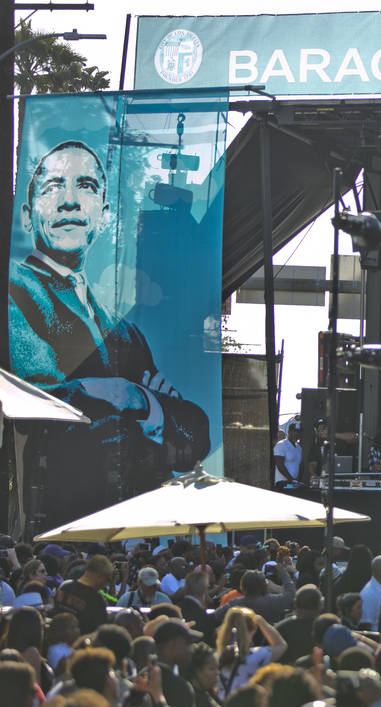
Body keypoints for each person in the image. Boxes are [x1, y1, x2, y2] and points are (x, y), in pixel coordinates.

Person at [10, 141, 210, 528]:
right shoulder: (15, 289)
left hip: (120, 525)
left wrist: (135, 397)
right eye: (53, 187)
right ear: (26, 216)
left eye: (84, 185)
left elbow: (194, 437)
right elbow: (42, 403)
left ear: (103, 216)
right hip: (51, 520)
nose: (69, 201)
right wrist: (149, 408)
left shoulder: (124, 331)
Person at [215, 606, 288, 700]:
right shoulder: (257, 656)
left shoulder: (215, 658)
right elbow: (281, 645)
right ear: (252, 631)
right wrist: (260, 620)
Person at [52, 554, 112, 635]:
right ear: (100, 576)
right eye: (107, 579)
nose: (106, 584)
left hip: (54, 638)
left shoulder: (64, 586)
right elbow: (99, 633)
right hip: (79, 645)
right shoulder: (97, 600)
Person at [274, 421, 304, 487]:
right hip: (282, 483)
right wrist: (291, 479)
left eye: (299, 431)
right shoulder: (281, 445)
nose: (297, 433)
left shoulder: (299, 448)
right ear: (289, 431)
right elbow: (280, 465)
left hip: (294, 484)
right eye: (294, 431)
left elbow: (300, 465)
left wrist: (297, 481)